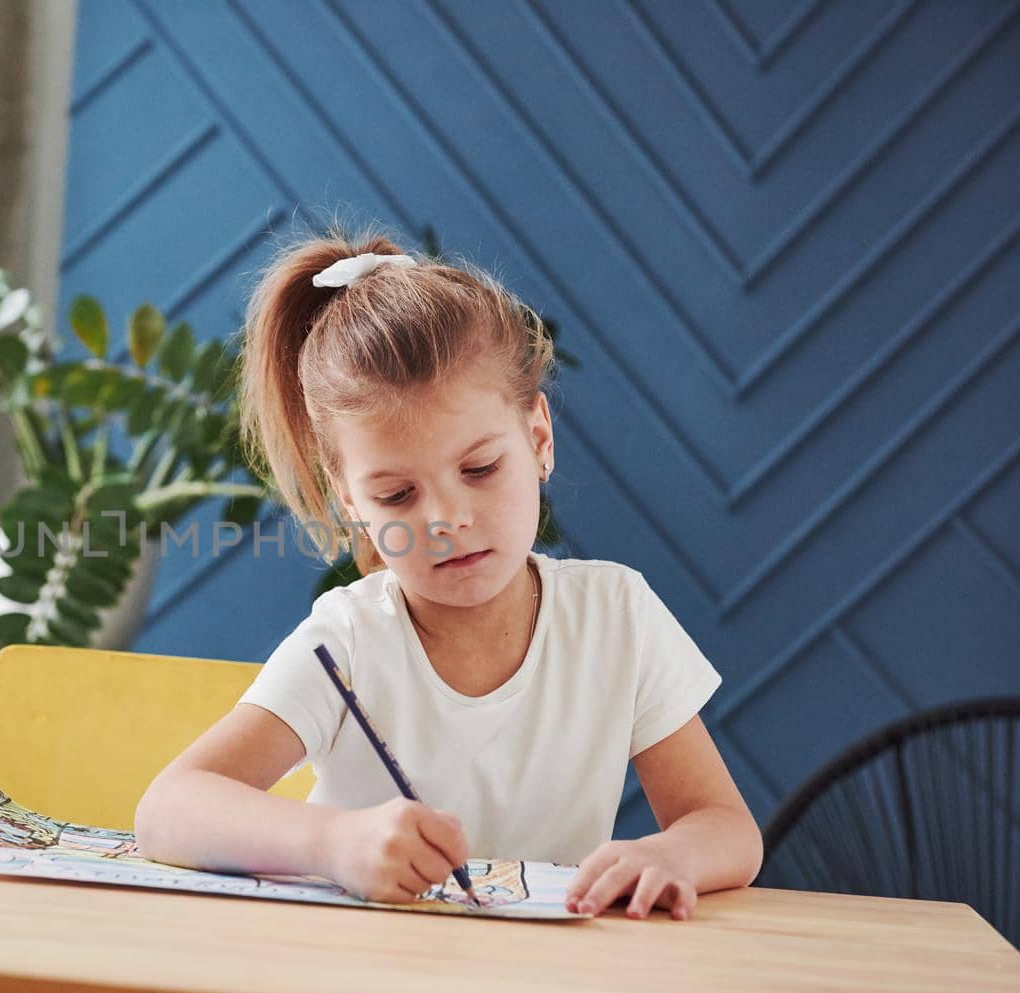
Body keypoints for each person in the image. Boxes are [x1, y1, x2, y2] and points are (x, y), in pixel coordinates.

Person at [135, 227, 762, 922]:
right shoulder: (347, 642)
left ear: (538, 438)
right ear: (352, 504)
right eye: (397, 495)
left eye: (480, 469)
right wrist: (335, 842)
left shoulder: (616, 617)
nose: (447, 519)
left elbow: (725, 826)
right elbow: (168, 809)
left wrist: (672, 856)